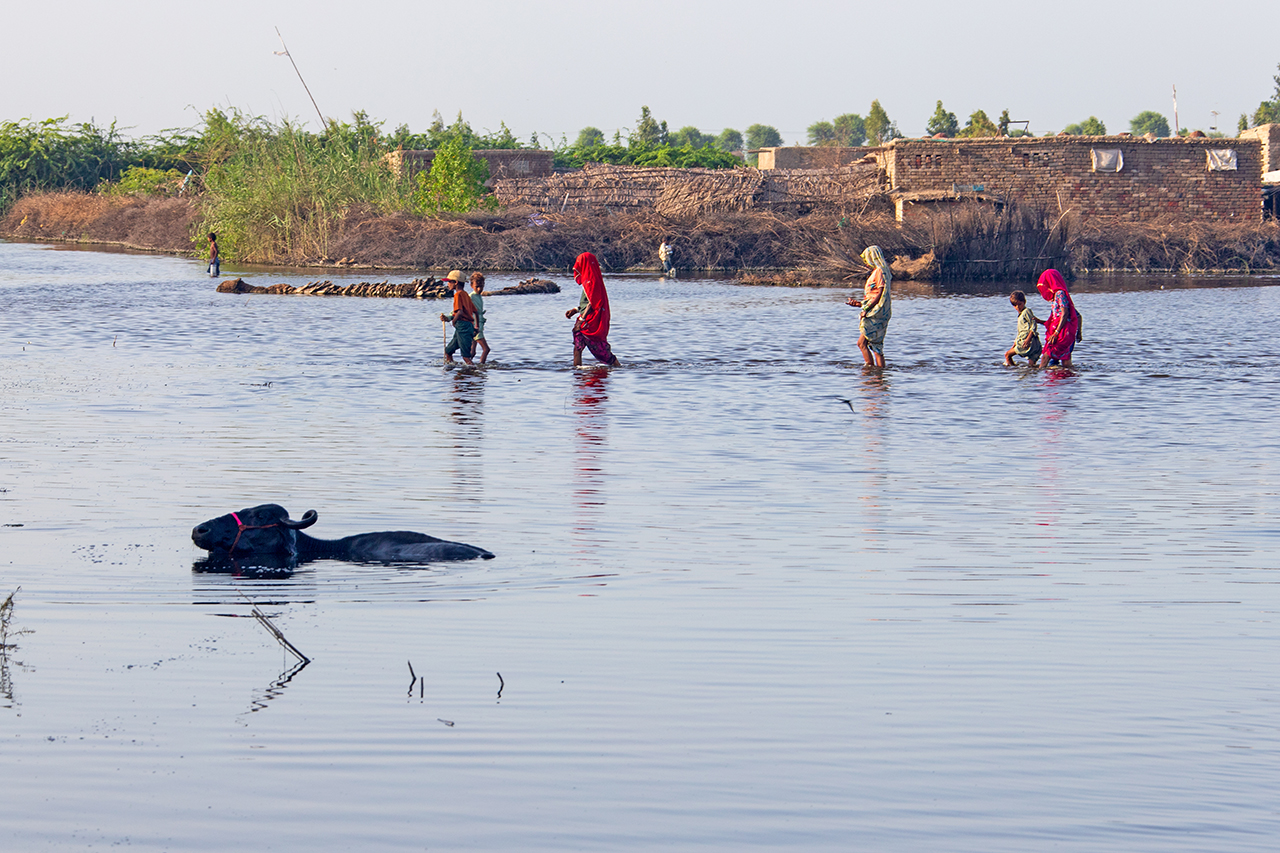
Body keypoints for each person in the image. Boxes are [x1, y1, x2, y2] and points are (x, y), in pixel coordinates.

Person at [565, 251, 619, 367]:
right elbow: (587, 302)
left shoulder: (591, 281)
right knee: (577, 349)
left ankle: (617, 367)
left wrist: (581, 320)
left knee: (602, 352)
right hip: (585, 320)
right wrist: (575, 310)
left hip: (589, 323)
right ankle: (577, 373)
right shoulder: (589, 280)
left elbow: (592, 304)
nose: (576, 267)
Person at [845, 245, 892, 368]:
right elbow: (875, 295)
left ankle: (871, 371)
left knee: (862, 344)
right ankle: (878, 375)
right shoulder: (882, 271)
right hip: (877, 312)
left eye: (867, 259)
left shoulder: (879, 272)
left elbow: (880, 294)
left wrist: (866, 309)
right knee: (875, 346)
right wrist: (859, 304)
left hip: (875, 314)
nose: (866, 263)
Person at [1036, 269, 1081, 369]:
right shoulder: (1056, 295)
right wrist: (1039, 321)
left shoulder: (1060, 294)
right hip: (1062, 331)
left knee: (1046, 356)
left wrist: (1056, 332)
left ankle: (1039, 379)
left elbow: (1064, 314)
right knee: (1066, 363)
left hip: (1062, 332)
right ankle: (1068, 381)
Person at [439, 270, 477, 364]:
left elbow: (459, 312)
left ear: (455, 282)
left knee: (466, 357)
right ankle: (451, 367)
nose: (447, 284)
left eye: (449, 281)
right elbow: (475, 311)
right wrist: (448, 318)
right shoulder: (465, 295)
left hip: (462, 327)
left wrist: (453, 322)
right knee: (448, 351)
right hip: (467, 326)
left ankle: (474, 372)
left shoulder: (457, 294)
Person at [1004, 290, 1044, 366]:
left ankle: (1012, 371)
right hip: (1032, 342)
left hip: (1027, 341)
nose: (1018, 307)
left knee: (1007, 355)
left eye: (1019, 304)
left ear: (1024, 302)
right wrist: (1015, 343)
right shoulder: (1021, 314)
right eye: (1015, 305)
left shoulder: (1026, 311)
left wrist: (1028, 338)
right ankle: (1032, 375)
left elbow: (1033, 324)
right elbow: (1020, 331)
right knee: (1031, 365)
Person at [470, 272, 490, 363]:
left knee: (472, 352)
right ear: (471, 286)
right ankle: (481, 366)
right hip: (475, 326)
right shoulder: (471, 296)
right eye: (477, 286)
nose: (479, 289)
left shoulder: (479, 296)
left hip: (479, 325)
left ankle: (468, 365)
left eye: (481, 286)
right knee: (486, 349)